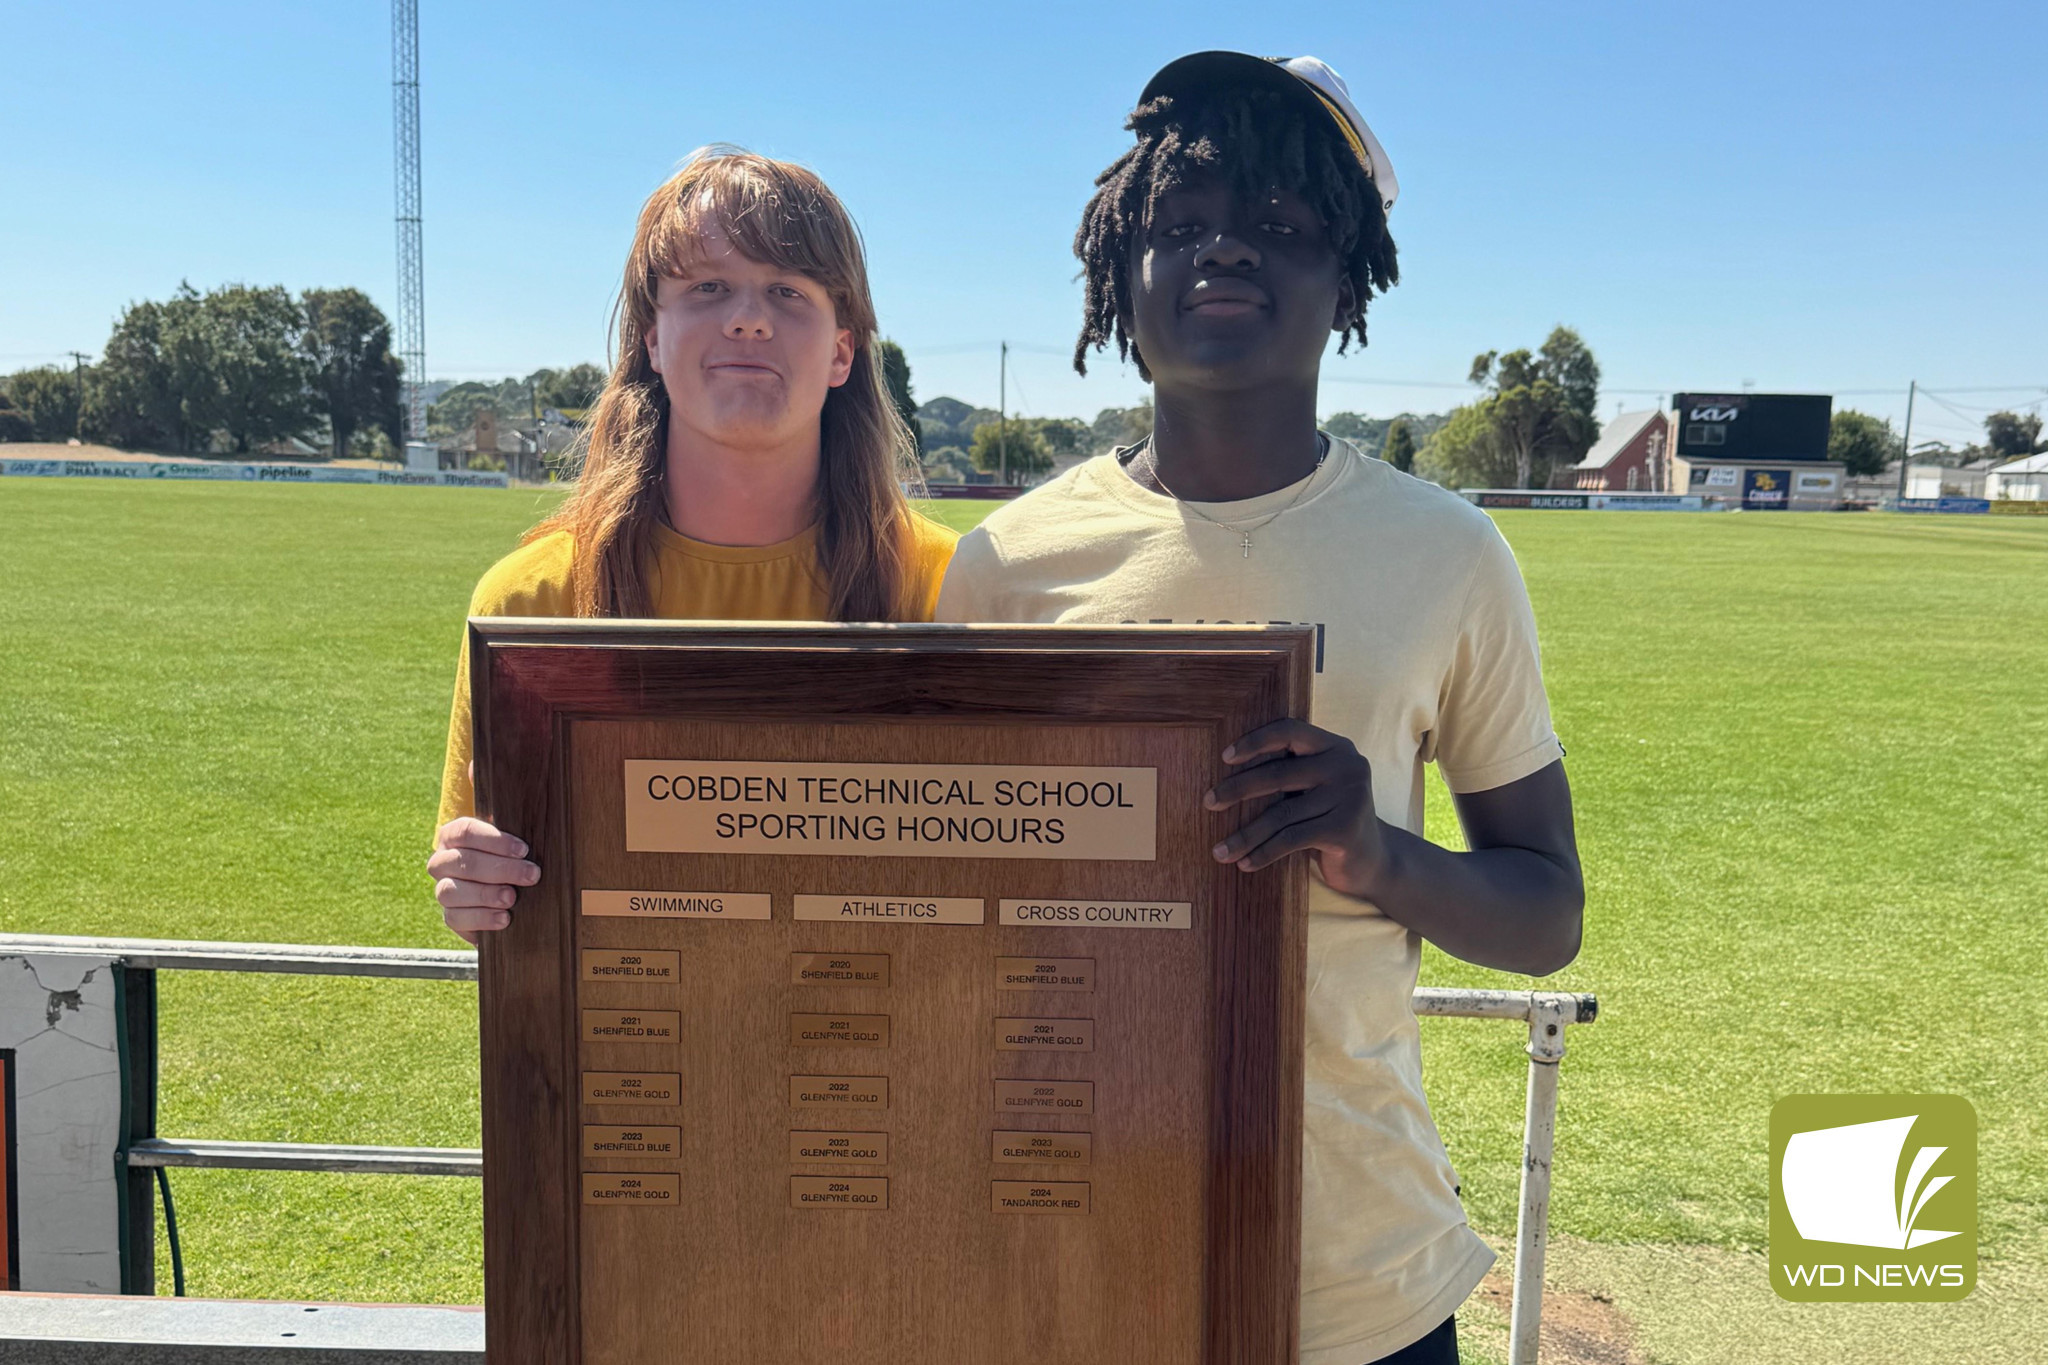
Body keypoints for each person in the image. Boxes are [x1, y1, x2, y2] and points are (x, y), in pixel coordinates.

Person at [934, 53, 1583, 1365]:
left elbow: (1547, 916)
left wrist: (1377, 852)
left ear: (1347, 278)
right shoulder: (1006, 568)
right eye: (1180, 227)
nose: (1223, 251)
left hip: (1356, 1287)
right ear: (1121, 273)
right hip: (1071, 1266)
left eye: (1280, 226)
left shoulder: (1449, 555)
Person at [429, 149, 957, 941]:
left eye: (787, 290)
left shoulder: (948, 587)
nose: (748, 317)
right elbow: (494, 901)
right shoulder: (531, 605)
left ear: (843, 350)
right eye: (708, 287)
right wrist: (476, 886)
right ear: (651, 336)